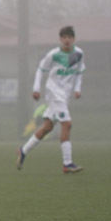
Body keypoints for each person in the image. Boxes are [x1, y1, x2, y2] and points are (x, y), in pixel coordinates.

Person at [16, 26, 85, 173]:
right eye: (64, 37)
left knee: (47, 127)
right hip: (54, 92)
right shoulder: (53, 54)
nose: (67, 40)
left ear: (73, 39)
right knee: (67, 124)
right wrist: (36, 89)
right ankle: (67, 163)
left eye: (69, 37)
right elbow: (41, 69)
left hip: (64, 95)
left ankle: (23, 151)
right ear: (60, 39)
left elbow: (79, 72)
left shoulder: (78, 54)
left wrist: (77, 89)